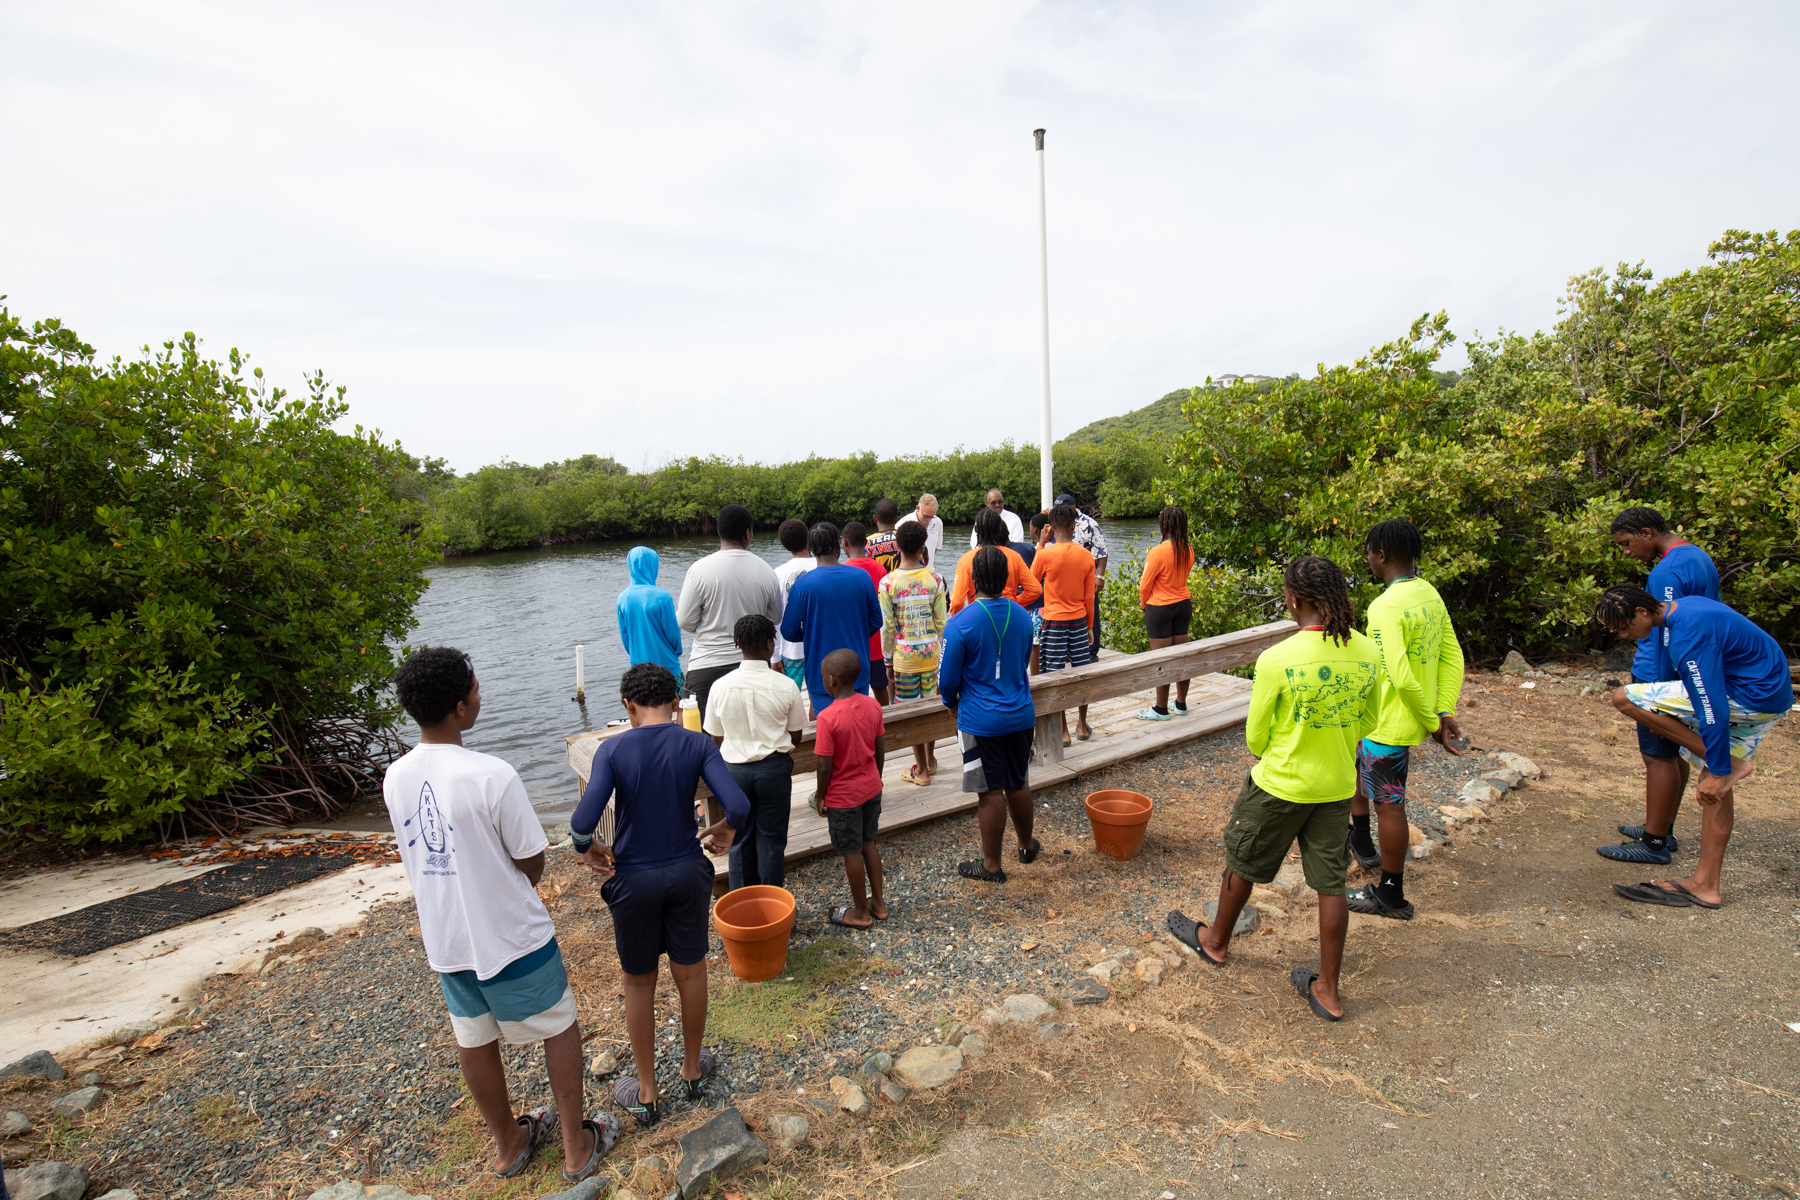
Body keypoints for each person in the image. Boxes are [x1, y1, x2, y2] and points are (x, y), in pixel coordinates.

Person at [386, 646, 619, 1181]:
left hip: (448, 938)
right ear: (459, 709)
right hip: (511, 935)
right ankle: (575, 1148)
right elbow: (530, 860)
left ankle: (509, 1144)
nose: (480, 694)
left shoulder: (395, 776)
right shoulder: (491, 774)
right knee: (558, 1025)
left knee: (474, 1037)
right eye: (474, 689)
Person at [1166, 557, 1387, 1023]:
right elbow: (1370, 719)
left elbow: (1256, 738)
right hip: (1334, 787)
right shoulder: (1368, 653)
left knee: (1243, 858)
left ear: (1294, 599)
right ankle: (1328, 990)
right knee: (1331, 884)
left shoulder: (1277, 659)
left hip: (1280, 784)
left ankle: (1216, 941)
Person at [571, 662, 749, 1127]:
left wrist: (585, 848)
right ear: (675, 702)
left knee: (638, 981)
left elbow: (581, 820)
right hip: (687, 871)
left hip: (634, 878)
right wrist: (727, 829)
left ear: (629, 707)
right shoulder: (694, 742)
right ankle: (692, 1070)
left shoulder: (612, 750)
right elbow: (739, 805)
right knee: (690, 973)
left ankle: (647, 1090)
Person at [1598, 587, 1791, 909]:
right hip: (1772, 695)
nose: (1624, 635)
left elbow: (1711, 707)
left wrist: (1719, 766)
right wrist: (1715, 771)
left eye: (1623, 627)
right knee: (1714, 786)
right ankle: (1706, 885)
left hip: (1749, 697)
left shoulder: (1688, 636)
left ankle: (1726, 762)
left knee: (1625, 698)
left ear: (1643, 612)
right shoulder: (1686, 607)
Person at [1344, 519, 1467, 921]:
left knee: (1390, 805)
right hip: (1385, 719)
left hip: (1387, 721)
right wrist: (1444, 709)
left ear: (1380, 555)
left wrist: (1433, 721)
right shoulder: (1429, 594)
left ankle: (1390, 894)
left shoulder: (1384, 607)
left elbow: (1398, 674)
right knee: (1358, 770)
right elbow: (1452, 656)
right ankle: (1361, 841)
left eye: (1368, 552)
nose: (1367, 559)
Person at [1599, 506, 1723, 865]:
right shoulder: (1698, 556)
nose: (1627, 552)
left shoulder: (1666, 570)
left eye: (1626, 543)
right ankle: (1662, 826)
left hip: (1659, 672)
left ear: (1647, 532)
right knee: (1673, 752)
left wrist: (1660, 681)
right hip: (1682, 669)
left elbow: (1667, 629)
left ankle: (1654, 843)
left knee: (1657, 756)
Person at [941, 546, 1040, 882]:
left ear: (972, 578)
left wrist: (950, 701)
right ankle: (1027, 846)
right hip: (1021, 713)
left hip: (980, 719)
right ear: (1008, 577)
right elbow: (1023, 660)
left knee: (989, 790)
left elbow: (948, 681)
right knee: (1018, 782)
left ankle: (992, 865)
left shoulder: (959, 623)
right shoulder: (1023, 615)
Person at [703, 615, 808, 890]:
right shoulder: (786, 685)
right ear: (770, 644)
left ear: (738, 644)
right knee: (772, 840)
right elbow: (796, 735)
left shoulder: (720, 686)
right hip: (773, 769)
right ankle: (771, 903)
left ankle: (741, 903)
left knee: (738, 837)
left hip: (734, 771)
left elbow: (715, 736)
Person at [676, 504, 782, 724]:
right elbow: (775, 618)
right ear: (748, 533)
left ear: (719, 531)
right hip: (754, 667)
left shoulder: (699, 569)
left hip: (706, 667)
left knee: (703, 743)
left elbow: (685, 621)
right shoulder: (765, 570)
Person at [811, 647, 889, 929]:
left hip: (844, 798)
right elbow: (880, 749)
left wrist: (821, 796)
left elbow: (824, 765)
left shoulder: (827, 718)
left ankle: (860, 913)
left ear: (832, 680)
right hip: (871, 788)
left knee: (851, 851)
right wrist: (875, 779)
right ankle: (878, 904)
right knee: (869, 843)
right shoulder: (873, 706)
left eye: (822, 676)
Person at [779, 521, 884, 715]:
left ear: (811, 549)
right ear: (838, 546)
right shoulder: (862, 577)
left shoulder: (802, 586)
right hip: (856, 671)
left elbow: (788, 631)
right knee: (857, 725)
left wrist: (812, 633)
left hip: (822, 676)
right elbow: (876, 621)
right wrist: (857, 631)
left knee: (826, 729)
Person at [880, 519, 950, 783]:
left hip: (904, 658)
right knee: (930, 707)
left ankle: (920, 769)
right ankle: (930, 761)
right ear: (923, 548)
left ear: (897, 546)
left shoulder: (888, 583)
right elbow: (942, 623)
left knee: (911, 713)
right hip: (931, 655)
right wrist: (943, 656)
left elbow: (887, 627)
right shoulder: (936, 580)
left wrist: (888, 659)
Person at [1031, 504, 1097, 744]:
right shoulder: (1086, 555)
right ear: (1072, 526)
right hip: (1079, 620)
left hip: (1054, 621)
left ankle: (1063, 730)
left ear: (1051, 528)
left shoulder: (1045, 554)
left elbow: (1031, 580)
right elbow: (1089, 596)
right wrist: (1090, 626)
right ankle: (1082, 724)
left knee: (1054, 675)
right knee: (1081, 673)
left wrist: (1041, 543)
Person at [1136, 506, 1195, 720]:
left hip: (1159, 608)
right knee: (1181, 655)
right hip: (1183, 605)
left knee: (1161, 660)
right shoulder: (1188, 548)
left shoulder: (1157, 552)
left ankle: (1160, 709)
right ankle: (1181, 703)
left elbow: (1145, 586)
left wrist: (1144, 604)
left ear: (1164, 526)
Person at [616, 547, 685, 694]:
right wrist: (676, 652)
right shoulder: (663, 597)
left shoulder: (622, 599)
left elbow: (625, 637)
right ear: (654, 565)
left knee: (646, 712)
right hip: (668, 667)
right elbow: (673, 635)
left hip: (639, 670)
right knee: (678, 710)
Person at [950, 508, 1042, 614]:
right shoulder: (1014, 556)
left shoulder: (966, 560)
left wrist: (957, 622)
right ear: (999, 530)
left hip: (979, 617)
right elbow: (1036, 590)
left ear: (976, 529)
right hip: (1008, 615)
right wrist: (1014, 602)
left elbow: (956, 602)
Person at [1054, 492, 1110, 661]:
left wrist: (1100, 576)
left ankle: (1091, 651)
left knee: (1090, 609)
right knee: (1067, 612)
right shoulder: (1055, 522)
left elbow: (1101, 551)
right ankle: (1068, 652)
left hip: (1085, 576)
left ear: (1073, 507)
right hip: (1062, 579)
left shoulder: (1089, 523)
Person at [842, 521, 892, 705]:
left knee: (855, 692)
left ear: (844, 543)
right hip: (878, 643)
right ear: (866, 542)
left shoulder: (845, 570)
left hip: (855, 643)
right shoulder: (879, 568)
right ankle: (884, 720)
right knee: (881, 688)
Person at [771, 518, 816, 695]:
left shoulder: (777, 574)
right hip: (820, 647)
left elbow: (774, 617)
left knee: (789, 701)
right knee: (819, 699)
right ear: (808, 538)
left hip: (790, 650)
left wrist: (774, 656)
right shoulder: (823, 566)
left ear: (785, 546)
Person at [1026, 512, 1051, 676]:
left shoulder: (1038, 551)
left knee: (1035, 644)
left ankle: (1035, 678)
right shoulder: (1056, 546)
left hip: (1038, 604)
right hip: (1051, 603)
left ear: (1035, 529)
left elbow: (1032, 578)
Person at [897, 493, 945, 567]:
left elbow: (935, 548)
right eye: (925, 516)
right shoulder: (902, 524)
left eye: (932, 517)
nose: (928, 520)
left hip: (928, 572)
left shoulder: (938, 522)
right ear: (918, 508)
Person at [866, 498, 902, 573]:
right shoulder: (907, 538)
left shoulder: (866, 543)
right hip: (903, 584)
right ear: (896, 519)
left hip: (878, 584)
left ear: (875, 518)